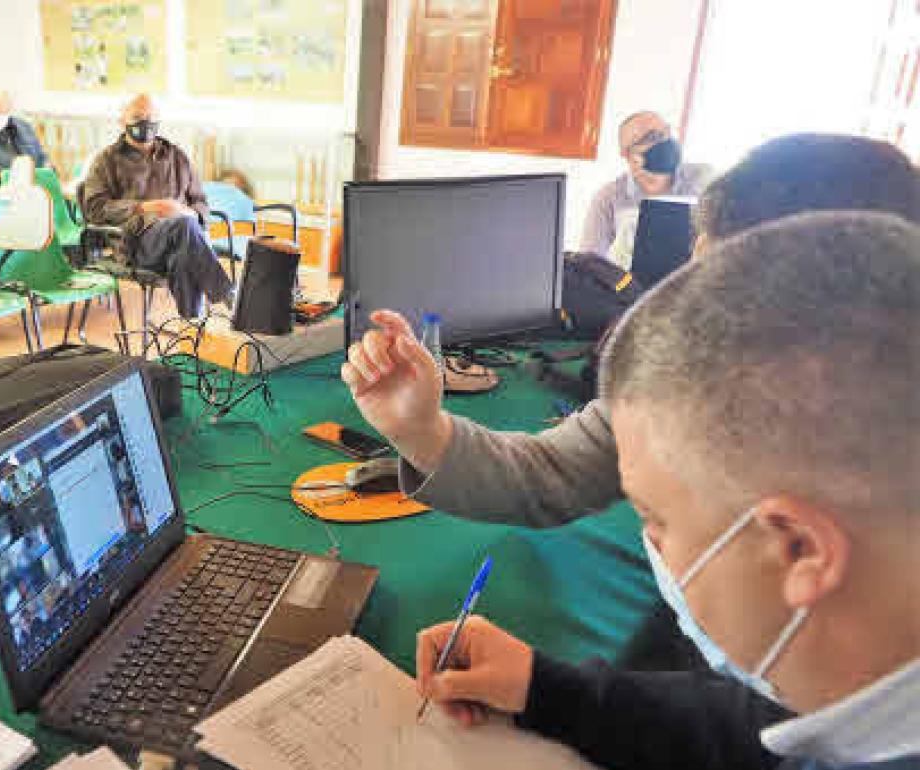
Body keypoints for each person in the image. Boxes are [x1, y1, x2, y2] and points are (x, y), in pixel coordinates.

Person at [343, 132, 920, 672]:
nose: (694, 311)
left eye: (727, 290)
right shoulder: (681, 379)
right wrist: (421, 429)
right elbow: (547, 474)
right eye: (696, 274)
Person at [414, 211, 919, 770]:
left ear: (800, 548)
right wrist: (545, 688)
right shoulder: (852, 693)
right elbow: (760, 729)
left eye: (656, 520)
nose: (650, 542)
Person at [77, 93, 231, 318]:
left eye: (151, 117)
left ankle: (191, 328)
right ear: (122, 121)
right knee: (185, 228)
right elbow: (95, 209)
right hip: (136, 243)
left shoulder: (177, 157)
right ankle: (228, 295)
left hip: (182, 239)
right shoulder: (106, 160)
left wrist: (187, 212)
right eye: (138, 116)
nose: (145, 123)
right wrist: (146, 207)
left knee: (184, 251)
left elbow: (200, 202)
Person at [580, 111, 716, 266]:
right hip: (632, 286)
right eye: (652, 137)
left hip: (693, 281)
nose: (666, 141)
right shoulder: (609, 197)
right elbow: (588, 264)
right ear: (627, 153)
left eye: (667, 132)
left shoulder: (704, 178)